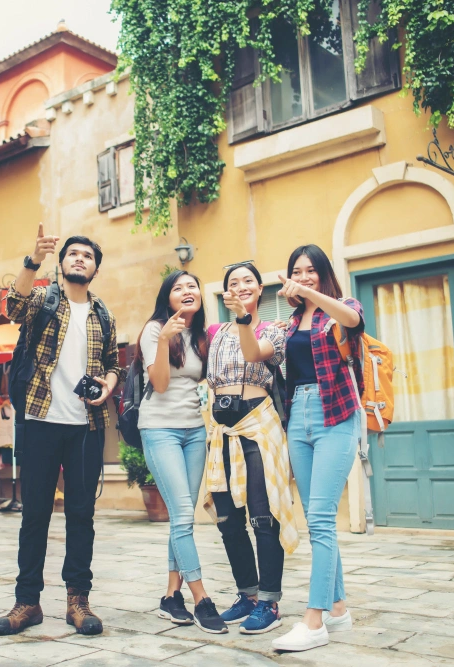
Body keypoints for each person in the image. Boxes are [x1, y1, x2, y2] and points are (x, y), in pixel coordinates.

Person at [0, 224, 121, 637]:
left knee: (81, 516)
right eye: (73, 254)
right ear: (63, 263)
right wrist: (34, 259)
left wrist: (110, 384)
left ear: (95, 268)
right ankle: (27, 601)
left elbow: (115, 362)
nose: (80, 258)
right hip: (40, 421)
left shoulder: (104, 313)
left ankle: (78, 601)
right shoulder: (44, 300)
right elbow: (13, 306)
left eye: (88, 255)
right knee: (35, 515)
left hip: (86, 426)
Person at [270, 244, 365, 653]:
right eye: (297, 270)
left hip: (337, 415)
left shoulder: (341, 305)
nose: (304, 275)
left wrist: (310, 294)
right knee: (315, 520)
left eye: (311, 270)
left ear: (323, 273)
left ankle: (314, 622)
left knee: (323, 520)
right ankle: (339, 611)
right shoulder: (290, 323)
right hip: (300, 416)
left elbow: (354, 320)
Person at [204, 262, 299, 635]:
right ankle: (247, 594)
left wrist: (244, 319)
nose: (240, 286)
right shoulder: (215, 333)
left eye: (248, 281)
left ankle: (270, 602)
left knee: (264, 515)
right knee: (228, 519)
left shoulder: (274, 331)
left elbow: (255, 354)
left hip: (259, 425)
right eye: (233, 283)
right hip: (222, 430)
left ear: (260, 290)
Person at [137, 271, 227, 634]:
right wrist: (164, 341)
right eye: (178, 288)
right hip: (160, 428)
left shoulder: (203, 336)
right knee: (182, 516)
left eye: (193, 287)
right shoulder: (154, 331)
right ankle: (201, 597)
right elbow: (158, 384)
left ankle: (170, 597)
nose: (187, 291)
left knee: (182, 516)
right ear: (168, 297)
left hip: (194, 431)